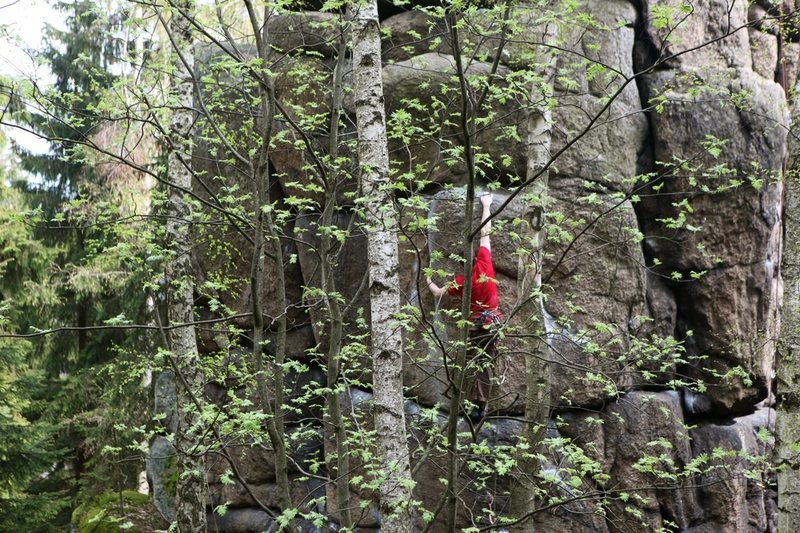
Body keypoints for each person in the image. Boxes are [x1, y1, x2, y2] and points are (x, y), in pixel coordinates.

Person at [426, 192, 501, 421]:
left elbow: (438, 293)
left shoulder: (462, 282)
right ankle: (481, 403)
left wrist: (428, 278)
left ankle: (477, 405)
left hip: (478, 326)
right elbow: (485, 234)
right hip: (493, 322)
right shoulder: (485, 266)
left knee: (474, 364)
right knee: (485, 363)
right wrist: (486, 206)